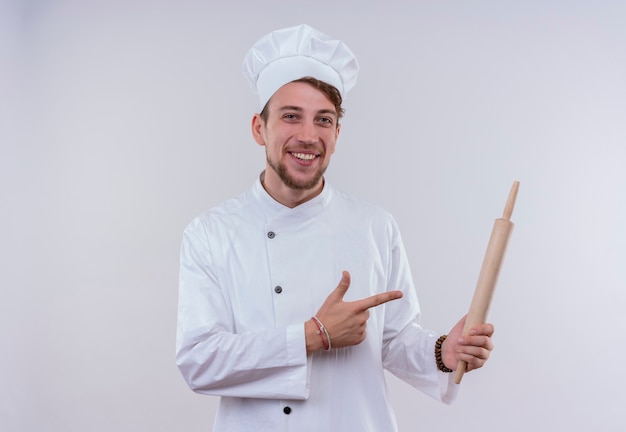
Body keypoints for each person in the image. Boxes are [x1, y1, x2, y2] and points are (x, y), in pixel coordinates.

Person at [176, 24, 495, 431]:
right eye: (291, 116)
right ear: (260, 128)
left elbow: (394, 339)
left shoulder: (374, 226)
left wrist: (442, 352)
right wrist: (314, 335)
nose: (308, 136)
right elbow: (199, 362)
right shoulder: (211, 233)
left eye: (323, 120)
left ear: (338, 134)